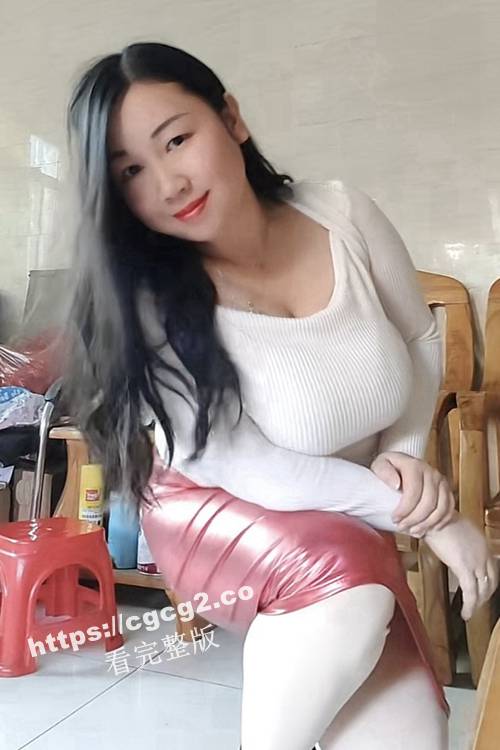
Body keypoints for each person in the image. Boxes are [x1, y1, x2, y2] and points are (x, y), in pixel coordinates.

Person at [63, 41, 498, 750]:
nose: (169, 183)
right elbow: (250, 468)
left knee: (412, 738)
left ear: (231, 119)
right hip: (213, 506)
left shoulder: (343, 215)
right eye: (131, 172)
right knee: (350, 594)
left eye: (177, 140)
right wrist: (432, 520)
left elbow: (419, 337)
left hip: (345, 510)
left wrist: (405, 460)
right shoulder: (149, 302)